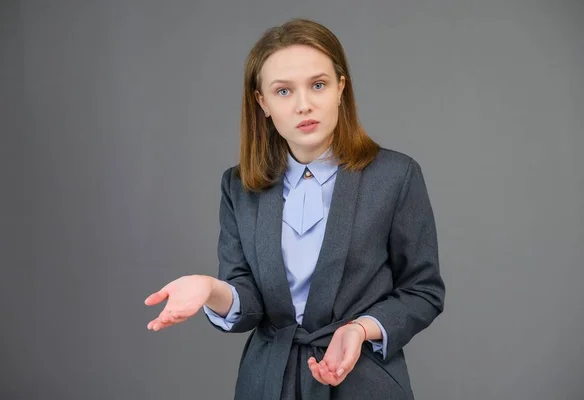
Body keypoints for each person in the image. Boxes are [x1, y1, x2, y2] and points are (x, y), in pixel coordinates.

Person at [144, 18, 445, 400]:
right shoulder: (238, 186)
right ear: (262, 102)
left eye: (317, 85)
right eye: (283, 91)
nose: (303, 105)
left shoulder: (396, 175)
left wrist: (361, 328)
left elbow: (423, 291)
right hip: (266, 384)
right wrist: (210, 289)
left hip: (363, 383)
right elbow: (248, 304)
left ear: (340, 87)